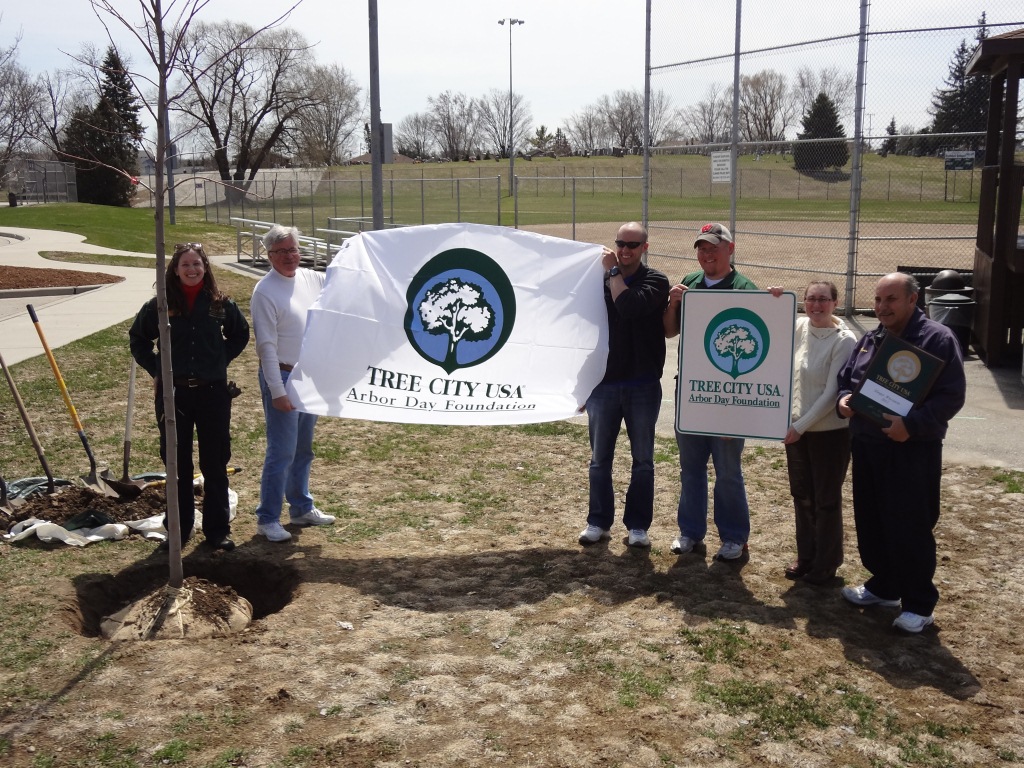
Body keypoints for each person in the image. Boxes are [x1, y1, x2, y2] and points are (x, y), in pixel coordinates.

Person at [837, 272, 966, 633]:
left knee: (909, 524)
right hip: (867, 444)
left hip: (911, 450)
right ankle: (885, 586)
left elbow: (951, 395)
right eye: (878, 300)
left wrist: (912, 426)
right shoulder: (872, 337)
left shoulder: (936, 339)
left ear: (914, 299)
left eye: (891, 299)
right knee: (872, 519)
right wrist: (844, 400)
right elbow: (847, 379)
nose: (882, 307)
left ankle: (919, 603)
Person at [129, 243, 250, 551]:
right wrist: (157, 367)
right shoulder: (161, 304)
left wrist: (219, 359)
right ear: (175, 269)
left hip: (213, 394)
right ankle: (180, 528)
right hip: (174, 395)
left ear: (205, 267)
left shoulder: (220, 305)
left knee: (215, 461)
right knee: (177, 462)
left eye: (197, 264)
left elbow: (240, 334)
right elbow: (138, 338)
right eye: (186, 265)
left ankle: (217, 530)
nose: (192, 269)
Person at [662, 223, 758, 561]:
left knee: (728, 469)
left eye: (714, 247)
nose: (707, 254)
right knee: (691, 467)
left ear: (730, 249)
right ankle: (690, 531)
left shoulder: (744, 287)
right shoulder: (689, 282)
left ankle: (734, 536)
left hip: (729, 396)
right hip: (691, 390)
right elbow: (670, 332)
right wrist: (673, 304)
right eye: (702, 248)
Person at [578, 222, 670, 549]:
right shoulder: (597, 282)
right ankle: (598, 522)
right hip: (604, 386)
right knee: (599, 459)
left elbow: (628, 307)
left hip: (643, 385)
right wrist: (582, 385)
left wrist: (613, 272)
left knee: (643, 460)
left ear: (644, 247)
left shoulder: (655, 281)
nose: (625, 249)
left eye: (632, 244)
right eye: (620, 243)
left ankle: (638, 526)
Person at [250, 225, 336, 542]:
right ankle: (268, 517)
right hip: (284, 377)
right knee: (281, 451)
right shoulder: (265, 292)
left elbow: (341, 288)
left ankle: (300, 508)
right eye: (281, 252)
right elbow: (266, 348)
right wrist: (277, 391)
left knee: (302, 449)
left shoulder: (310, 278)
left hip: (307, 376)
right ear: (270, 256)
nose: (288, 257)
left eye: (293, 250)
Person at [780, 280, 857, 584]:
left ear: (835, 303)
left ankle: (827, 562)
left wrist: (799, 426)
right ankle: (806, 556)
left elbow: (832, 393)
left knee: (826, 498)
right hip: (798, 431)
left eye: (823, 299)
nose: (816, 305)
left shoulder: (844, 340)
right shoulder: (800, 327)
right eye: (811, 299)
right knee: (802, 495)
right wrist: (775, 296)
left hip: (829, 432)